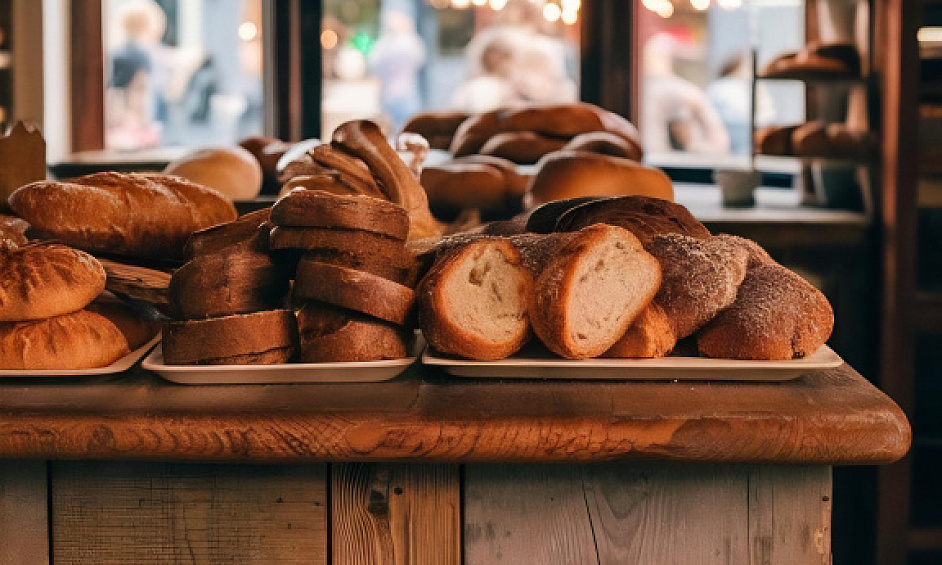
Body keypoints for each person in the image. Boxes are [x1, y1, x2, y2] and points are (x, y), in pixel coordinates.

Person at [642, 32, 730, 154]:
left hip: (682, 164)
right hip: (652, 161)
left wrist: (690, 143)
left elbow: (720, 143)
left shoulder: (687, 92)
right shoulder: (642, 89)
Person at [368, 9, 426, 135]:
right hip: (402, 95)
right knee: (407, 134)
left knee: (395, 134)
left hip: (396, 95)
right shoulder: (409, 43)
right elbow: (420, 60)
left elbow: (374, 65)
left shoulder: (385, 45)